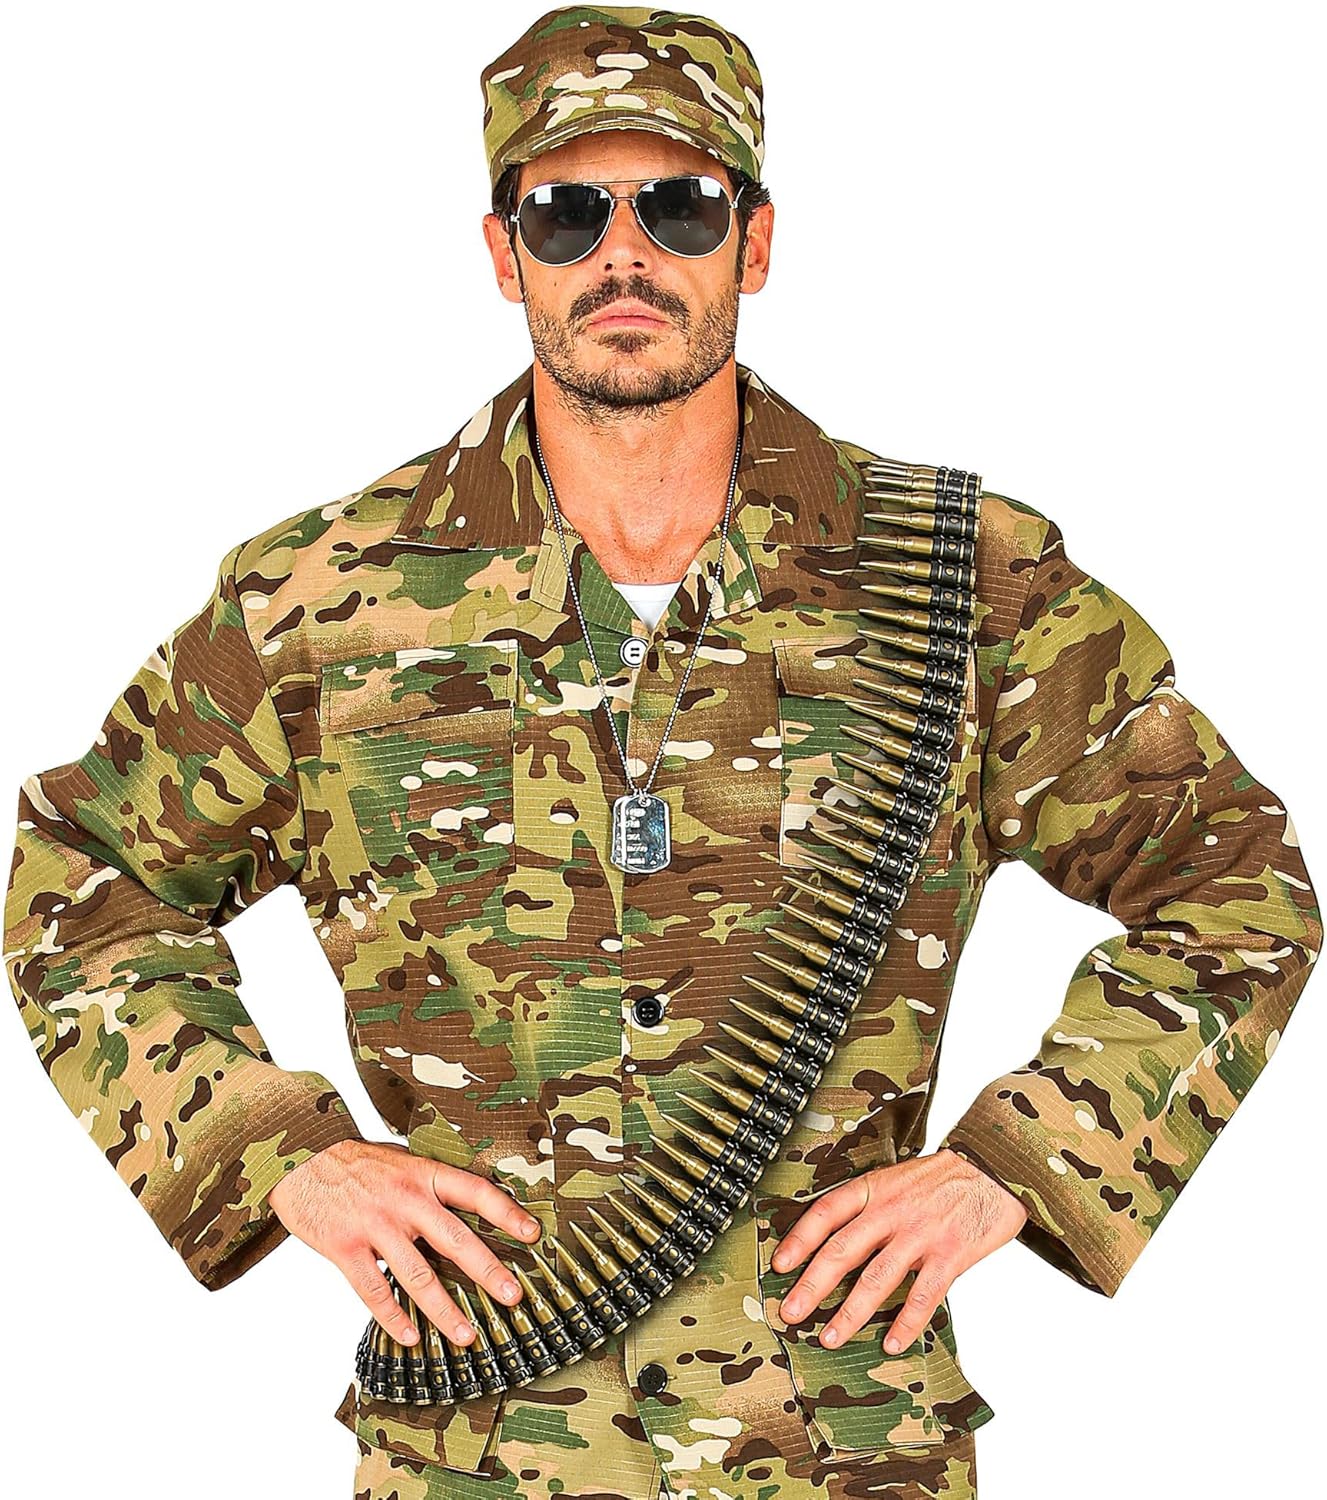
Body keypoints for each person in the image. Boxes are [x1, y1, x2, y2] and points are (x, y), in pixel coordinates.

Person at [4, 8, 1319, 1500]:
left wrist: (1022, 1165)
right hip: (474, 1445)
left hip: (841, 1448)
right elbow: (81, 884)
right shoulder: (322, 604)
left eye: (678, 206)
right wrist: (275, 1154)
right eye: (567, 214)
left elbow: (1238, 889)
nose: (622, 254)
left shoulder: (959, 581)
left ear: (754, 242)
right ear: (503, 255)